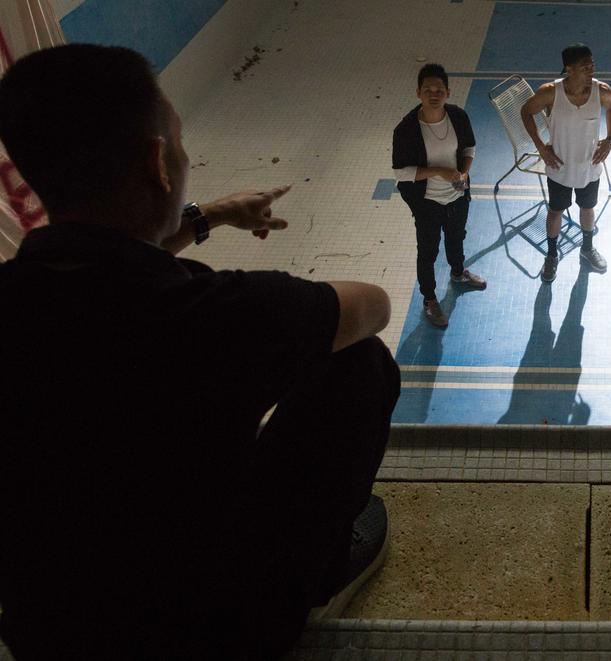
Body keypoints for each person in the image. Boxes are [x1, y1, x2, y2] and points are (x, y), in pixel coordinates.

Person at [0, 44, 400, 660]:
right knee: (360, 359)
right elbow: (371, 305)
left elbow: (104, 274)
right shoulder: (221, 318)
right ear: (160, 162)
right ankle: (321, 571)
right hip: (221, 627)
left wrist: (206, 218)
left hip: (47, 630)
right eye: (179, 142)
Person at [393, 63, 485, 329]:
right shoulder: (406, 130)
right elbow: (401, 173)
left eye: (439, 90)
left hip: (457, 197)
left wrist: (463, 174)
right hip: (427, 204)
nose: (434, 94)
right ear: (418, 93)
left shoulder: (457, 117)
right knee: (428, 252)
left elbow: (469, 147)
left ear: (447, 92)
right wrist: (440, 172)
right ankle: (430, 299)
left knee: (457, 238)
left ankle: (458, 273)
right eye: (427, 90)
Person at [521, 43, 611, 283]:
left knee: (587, 208)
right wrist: (541, 147)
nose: (591, 70)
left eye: (592, 64)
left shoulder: (601, 91)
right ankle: (551, 255)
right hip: (559, 169)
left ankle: (587, 249)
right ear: (569, 69)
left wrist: (610, 139)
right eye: (585, 67)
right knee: (555, 211)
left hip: (589, 168)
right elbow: (526, 111)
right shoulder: (550, 93)